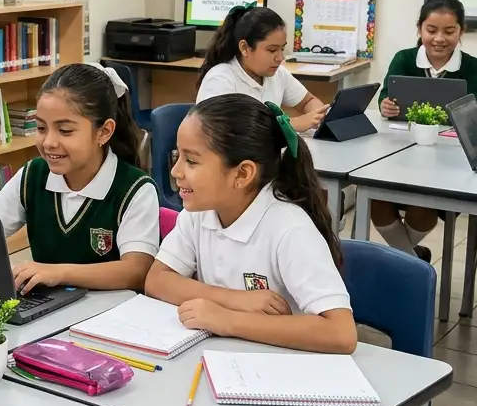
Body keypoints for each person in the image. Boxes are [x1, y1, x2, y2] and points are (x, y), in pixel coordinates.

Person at [144, 95, 356, 355]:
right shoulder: (199, 213)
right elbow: (156, 280)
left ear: (242, 174)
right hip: (225, 356)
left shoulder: (289, 229)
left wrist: (226, 319)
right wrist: (234, 300)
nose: (176, 171)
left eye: (191, 161)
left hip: (281, 369)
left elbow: (341, 334)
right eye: (178, 156)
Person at [0, 63, 159, 293]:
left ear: (104, 131)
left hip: (108, 314)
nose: (48, 143)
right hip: (50, 307)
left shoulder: (136, 189)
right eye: (41, 128)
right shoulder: (33, 174)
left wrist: (58, 273)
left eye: (65, 131)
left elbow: (136, 272)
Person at [373, 0, 477, 262]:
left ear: (462, 31)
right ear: (419, 29)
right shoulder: (403, 59)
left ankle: (396, 260)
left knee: (423, 206)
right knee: (376, 201)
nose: (439, 39)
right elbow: (386, 97)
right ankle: (411, 258)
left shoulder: (472, 67)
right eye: (431, 30)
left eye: (449, 31)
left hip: (446, 159)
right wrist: (385, 105)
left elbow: (471, 111)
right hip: (399, 153)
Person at [195, 5, 329, 133]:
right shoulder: (221, 79)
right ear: (244, 48)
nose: (280, 58)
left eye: (282, 49)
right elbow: (227, 132)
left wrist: (317, 116)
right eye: (272, 50)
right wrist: (290, 125)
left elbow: (308, 101)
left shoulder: (277, 74)